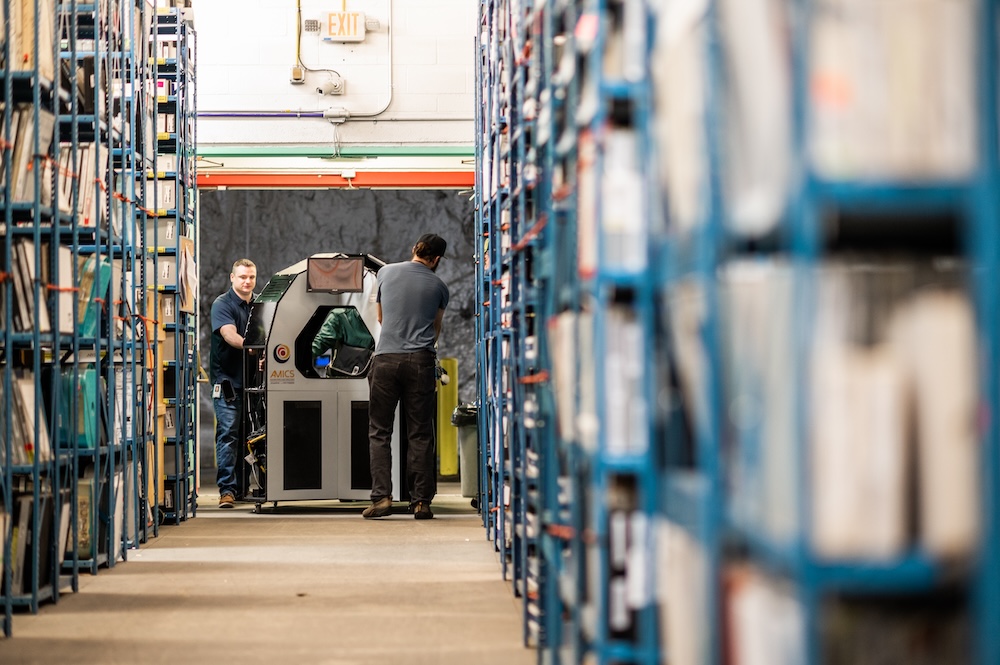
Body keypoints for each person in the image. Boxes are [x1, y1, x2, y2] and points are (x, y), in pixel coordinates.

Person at [364, 234, 450, 520]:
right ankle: (421, 502)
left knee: (379, 431)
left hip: (386, 359)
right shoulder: (439, 286)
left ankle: (382, 499)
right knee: (420, 434)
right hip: (420, 362)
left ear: (415, 249)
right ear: (436, 259)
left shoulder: (385, 272)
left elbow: (380, 318)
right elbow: (435, 329)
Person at [210, 258, 257, 509]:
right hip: (227, 383)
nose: (247, 281)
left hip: (253, 385)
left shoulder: (259, 304)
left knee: (250, 437)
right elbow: (229, 335)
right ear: (232, 278)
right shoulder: (222, 304)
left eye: (251, 277)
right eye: (242, 277)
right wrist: (253, 348)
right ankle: (226, 490)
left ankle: (242, 488)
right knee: (228, 435)